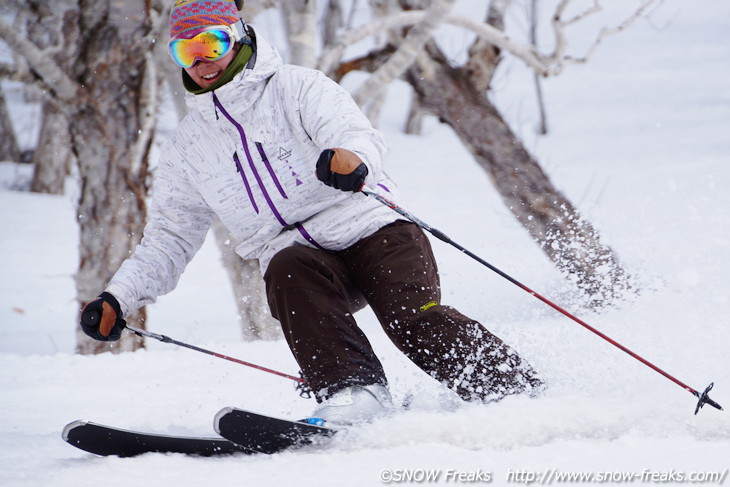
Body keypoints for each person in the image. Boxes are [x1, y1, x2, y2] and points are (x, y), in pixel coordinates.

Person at [80, 0, 542, 425]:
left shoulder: (297, 88)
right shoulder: (187, 148)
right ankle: (355, 395)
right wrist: (120, 297)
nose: (200, 59)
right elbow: (169, 237)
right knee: (286, 267)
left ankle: (511, 388)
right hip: (300, 259)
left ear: (237, 37)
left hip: (373, 228)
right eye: (186, 51)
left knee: (411, 319)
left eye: (210, 43)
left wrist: (351, 157)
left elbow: (355, 133)